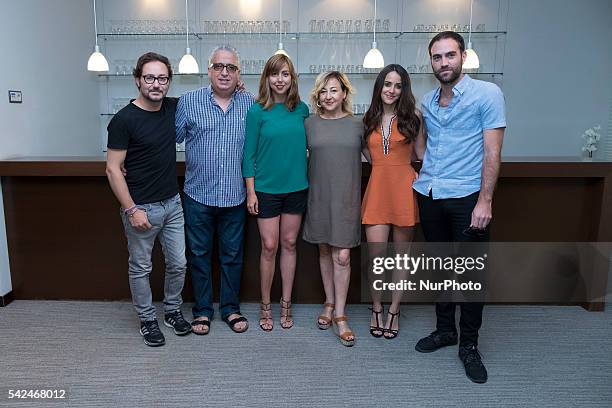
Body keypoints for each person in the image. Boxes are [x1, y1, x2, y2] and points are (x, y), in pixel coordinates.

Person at [412, 31, 506, 384]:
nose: (443, 63)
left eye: (449, 55)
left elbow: (493, 153)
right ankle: (444, 330)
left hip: (468, 198)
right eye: (437, 57)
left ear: (462, 56)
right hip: (431, 194)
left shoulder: (487, 94)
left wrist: (485, 201)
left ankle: (469, 345)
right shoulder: (428, 100)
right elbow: (422, 150)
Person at [106, 52, 191, 347]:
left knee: (179, 263)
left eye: (162, 78)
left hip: (172, 204)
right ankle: (147, 320)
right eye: (150, 78)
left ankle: (171, 311)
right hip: (141, 207)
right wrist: (131, 209)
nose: (156, 84)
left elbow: (205, 100)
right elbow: (113, 168)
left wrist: (239, 88)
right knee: (141, 267)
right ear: (138, 79)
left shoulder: (173, 107)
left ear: (169, 81)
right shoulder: (123, 120)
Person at [176, 45, 254, 335]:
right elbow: (166, 139)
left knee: (232, 255)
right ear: (209, 70)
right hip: (198, 195)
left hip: (235, 196)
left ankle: (231, 308)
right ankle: (203, 311)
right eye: (219, 66)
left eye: (231, 68)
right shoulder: (189, 101)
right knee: (199, 254)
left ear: (238, 73)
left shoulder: (251, 105)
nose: (224, 72)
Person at [243, 54, 309, 331]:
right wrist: (251, 192)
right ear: (266, 78)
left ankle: (286, 304)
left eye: (285, 74)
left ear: (292, 78)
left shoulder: (302, 109)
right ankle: (266, 305)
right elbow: (248, 155)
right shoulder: (257, 111)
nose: (280, 80)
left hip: (296, 188)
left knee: (290, 244)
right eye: (274, 74)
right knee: (269, 247)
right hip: (266, 190)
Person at [361, 64, 423, 339]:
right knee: (376, 258)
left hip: (404, 191)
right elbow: (366, 154)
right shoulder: (368, 119)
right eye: (387, 84)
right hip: (377, 190)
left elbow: (421, 155)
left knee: (401, 258)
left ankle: (394, 310)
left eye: (398, 85)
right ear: (379, 87)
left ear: (403, 89)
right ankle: (376, 308)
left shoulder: (414, 118)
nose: (392, 90)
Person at [303, 71, 362, 347]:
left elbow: (380, 157)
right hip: (319, 197)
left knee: (343, 257)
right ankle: (328, 302)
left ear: (344, 94)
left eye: (334, 90)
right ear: (318, 95)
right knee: (324, 250)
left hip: (347, 200)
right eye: (324, 91)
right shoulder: (309, 124)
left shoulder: (358, 125)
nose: (328, 96)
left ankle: (340, 315)